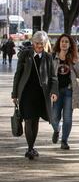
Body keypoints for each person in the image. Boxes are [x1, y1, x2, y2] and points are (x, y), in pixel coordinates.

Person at [11, 31, 58, 159]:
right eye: (37, 43)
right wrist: (14, 93)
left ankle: (31, 147)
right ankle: (30, 148)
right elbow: (18, 75)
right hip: (25, 93)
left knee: (35, 120)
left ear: (45, 44)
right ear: (33, 43)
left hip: (40, 94)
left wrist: (54, 92)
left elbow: (53, 77)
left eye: (41, 44)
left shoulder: (48, 57)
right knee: (28, 120)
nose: (39, 46)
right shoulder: (26, 55)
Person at [51, 34, 79, 150]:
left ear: (70, 45)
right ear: (59, 44)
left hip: (69, 91)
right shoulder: (53, 57)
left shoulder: (73, 58)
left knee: (68, 118)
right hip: (56, 92)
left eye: (66, 42)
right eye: (62, 41)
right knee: (54, 117)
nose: (64, 43)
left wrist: (76, 62)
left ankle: (64, 141)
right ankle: (56, 129)